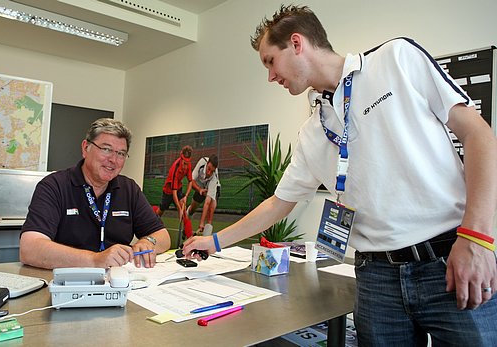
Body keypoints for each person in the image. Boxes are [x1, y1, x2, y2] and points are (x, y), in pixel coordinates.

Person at [183, 4, 497, 346]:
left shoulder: (396, 59)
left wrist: (476, 239)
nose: (270, 76)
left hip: (449, 259)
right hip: (376, 279)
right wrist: (213, 242)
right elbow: (279, 203)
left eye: (270, 61)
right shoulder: (313, 131)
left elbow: (478, 135)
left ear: (297, 43)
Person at [20, 118, 171, 269]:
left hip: (117, 281)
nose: (113, 159)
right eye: (106, 149)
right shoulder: (54, 186)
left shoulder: (129, 189)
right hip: (67, 281)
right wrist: (95, 260)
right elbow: (30, 249)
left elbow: (163, 236)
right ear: (86, 148)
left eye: (121, 153)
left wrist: (148, 241)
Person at [155, 145, 194, 238]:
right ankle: (151, 224)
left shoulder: (188, 165)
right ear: (181, 157)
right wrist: (179, 208)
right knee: (161, 210)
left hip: (178, 188)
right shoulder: (175, 168)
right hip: (169, 191)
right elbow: (174, 193)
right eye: (184, 162)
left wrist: (186, 196)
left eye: (187, 162)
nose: (185, 165)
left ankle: (189, 236)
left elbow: (190, 181)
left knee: (184, 212)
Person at [186, 155, 221, 235]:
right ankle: (187, 222)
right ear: (207, 163)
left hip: (212, 187)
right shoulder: (202, 162)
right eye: (208, 169)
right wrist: (199, 190)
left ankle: (206, 238)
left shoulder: (214, 176)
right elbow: (191, 181)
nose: (209, 173)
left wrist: (201, 223)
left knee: (211, 209)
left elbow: (207, 202)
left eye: (212, 171)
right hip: (200, 185)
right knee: (192, 209)